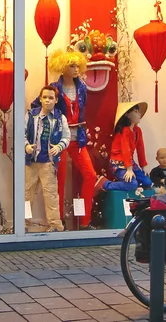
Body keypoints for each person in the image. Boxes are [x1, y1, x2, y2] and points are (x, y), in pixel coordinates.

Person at [34, 49, 97, 230]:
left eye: (78, 65)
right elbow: (37, 106)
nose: (76, 69)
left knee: (90, 175)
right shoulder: (54, 88)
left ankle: (85, 221)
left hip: (78, 138)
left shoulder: (82, 87)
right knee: (58, 180)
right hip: (59, 139)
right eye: (72, 65)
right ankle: (58, 221)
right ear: (62, 67)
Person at [25, 86, 70, 232]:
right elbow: (22, 133)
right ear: (40, 98)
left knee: (51, 195)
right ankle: (23, 224)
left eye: (51, 98)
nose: (47, 100)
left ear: (56, 100)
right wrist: (26, 146)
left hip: (48, 163)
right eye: (44, 97)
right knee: (26, 194)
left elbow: (66, 136)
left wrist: (59, 147)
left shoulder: (59, 118)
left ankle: (55, 225)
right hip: (31, 161)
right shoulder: (31, 115)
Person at [94, 101, 152, 194]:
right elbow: (126, 150)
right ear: (128, 115)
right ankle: (105, 184)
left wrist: (143, 166)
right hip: (118, 163)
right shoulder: (124, 131)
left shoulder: (137, 131)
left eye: (139, 112)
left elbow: (140, 148)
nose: (139, 114)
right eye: (136, 112)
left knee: (148, 182)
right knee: (132, 184)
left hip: (130, 163)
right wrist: (129, 169)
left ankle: (129, 184)